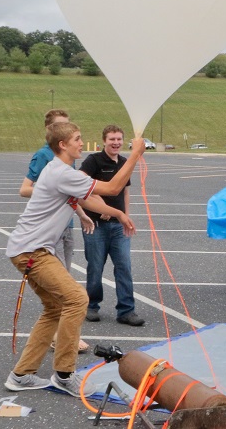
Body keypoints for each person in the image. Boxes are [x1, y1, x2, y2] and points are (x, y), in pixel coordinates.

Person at [4, 122, 145, 397]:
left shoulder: (64, 172)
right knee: (77, 300)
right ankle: (65, 375)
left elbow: (89, 200)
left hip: (30, 249)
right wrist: (136, 154)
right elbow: (114, 187)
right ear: (63, 145)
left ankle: (21, 375)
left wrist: (118, 215)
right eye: (78, 140)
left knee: (55, 309)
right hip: (32, 251)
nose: (82, 143)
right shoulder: (60, 172)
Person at [19, 109, 94, 353]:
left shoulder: (69, 158)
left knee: (66, 283)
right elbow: (25, 189)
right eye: (62, 126)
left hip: (66, 225)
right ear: (52, 133)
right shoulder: (44, 156)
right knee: (68, 292)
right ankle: (64, 341)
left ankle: (59, 336)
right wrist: (49, 190)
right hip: (47, 232)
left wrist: (82, 215)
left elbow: (71, 193)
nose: (70, 131)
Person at [80, 125, 144, 326]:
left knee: (124, 266)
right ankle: (91, 306)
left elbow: (125, 191)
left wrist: (126, 216)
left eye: (118, 139)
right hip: (95, 225)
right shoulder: (93, 161)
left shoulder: (124, 162)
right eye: (111, 139)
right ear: (104, 141)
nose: (115, 143)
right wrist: (103, 207)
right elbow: (83, 184)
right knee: (96, 267)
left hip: (118, 226)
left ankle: (126, 310)